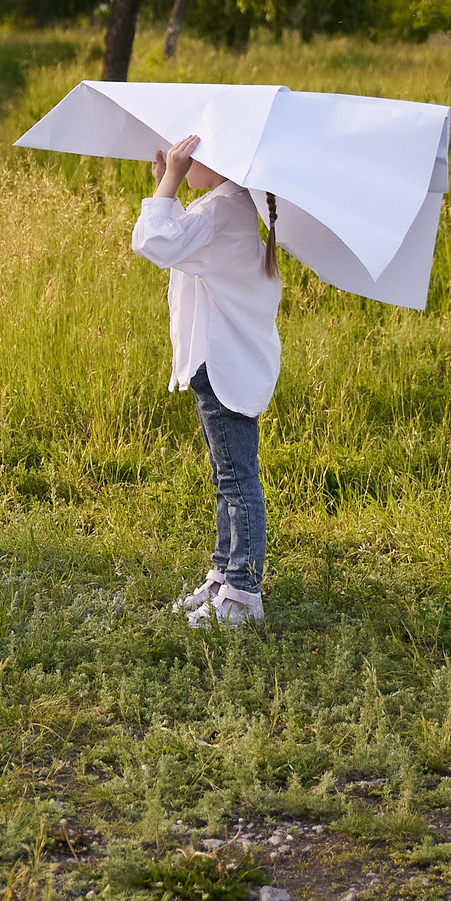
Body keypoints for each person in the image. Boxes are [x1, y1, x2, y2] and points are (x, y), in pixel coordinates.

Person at [131, 134, 282, 626]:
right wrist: (166, 188)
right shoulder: (228, 205)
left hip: (223, 368)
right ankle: (224, 575)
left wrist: (170, 183)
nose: (173, 157)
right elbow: (179, 246)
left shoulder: (221, 209)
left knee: (237, 481)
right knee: (227, 477)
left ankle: (243, 595)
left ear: (209, 159)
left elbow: (154, 243)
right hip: (217, 365)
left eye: (182, 154)